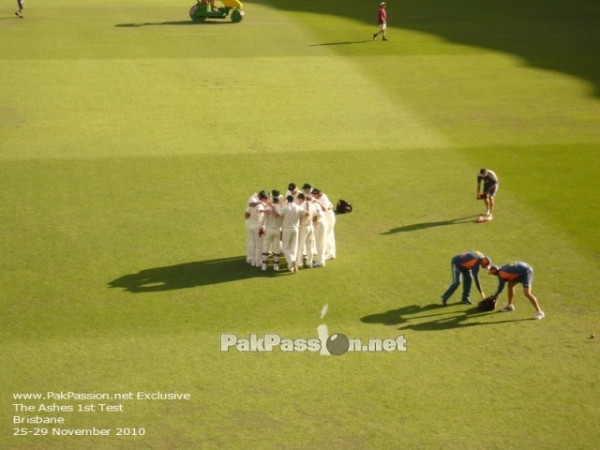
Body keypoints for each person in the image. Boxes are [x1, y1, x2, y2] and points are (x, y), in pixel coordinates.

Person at [279, 195, 307, 273]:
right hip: (296, 229)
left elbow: (279, 215)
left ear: (287, 200)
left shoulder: (285, 207)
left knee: (284, 247)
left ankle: (291, 261)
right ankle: (291, 267)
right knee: (293, 248)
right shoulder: (298, 207)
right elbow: (305, 212)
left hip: (287, 229)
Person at [261, 190, 283, 271]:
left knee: (266, 247)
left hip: (268, 229)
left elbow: (263, 219)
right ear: (279, 202)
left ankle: (264, 265)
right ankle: (276, 266)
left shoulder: (268, 208)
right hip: (277, 230)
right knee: (277, 248)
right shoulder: (281, 209)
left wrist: (261, 227)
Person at [312, 188, 336, 260]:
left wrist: (318, 203)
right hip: (328, 218)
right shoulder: (322, 197)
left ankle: (330, 254)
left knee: (326, 236)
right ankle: (330, 253)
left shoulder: (323, 199)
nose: (313, 196)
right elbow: (331, 205)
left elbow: (325, 209)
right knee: (330, 235)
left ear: (317, 194)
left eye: (313, 194)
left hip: (329, 218)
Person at [295, 193, 315, 269]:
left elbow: (302, 215)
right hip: (311, 226)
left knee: (301, 245)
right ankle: (309, 262)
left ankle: (299, 263)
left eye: (298, 199)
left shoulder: (302, 206)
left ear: (301, 199)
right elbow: (315, 215)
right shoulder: (312, 205)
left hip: (304, 227)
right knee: (309, 246)